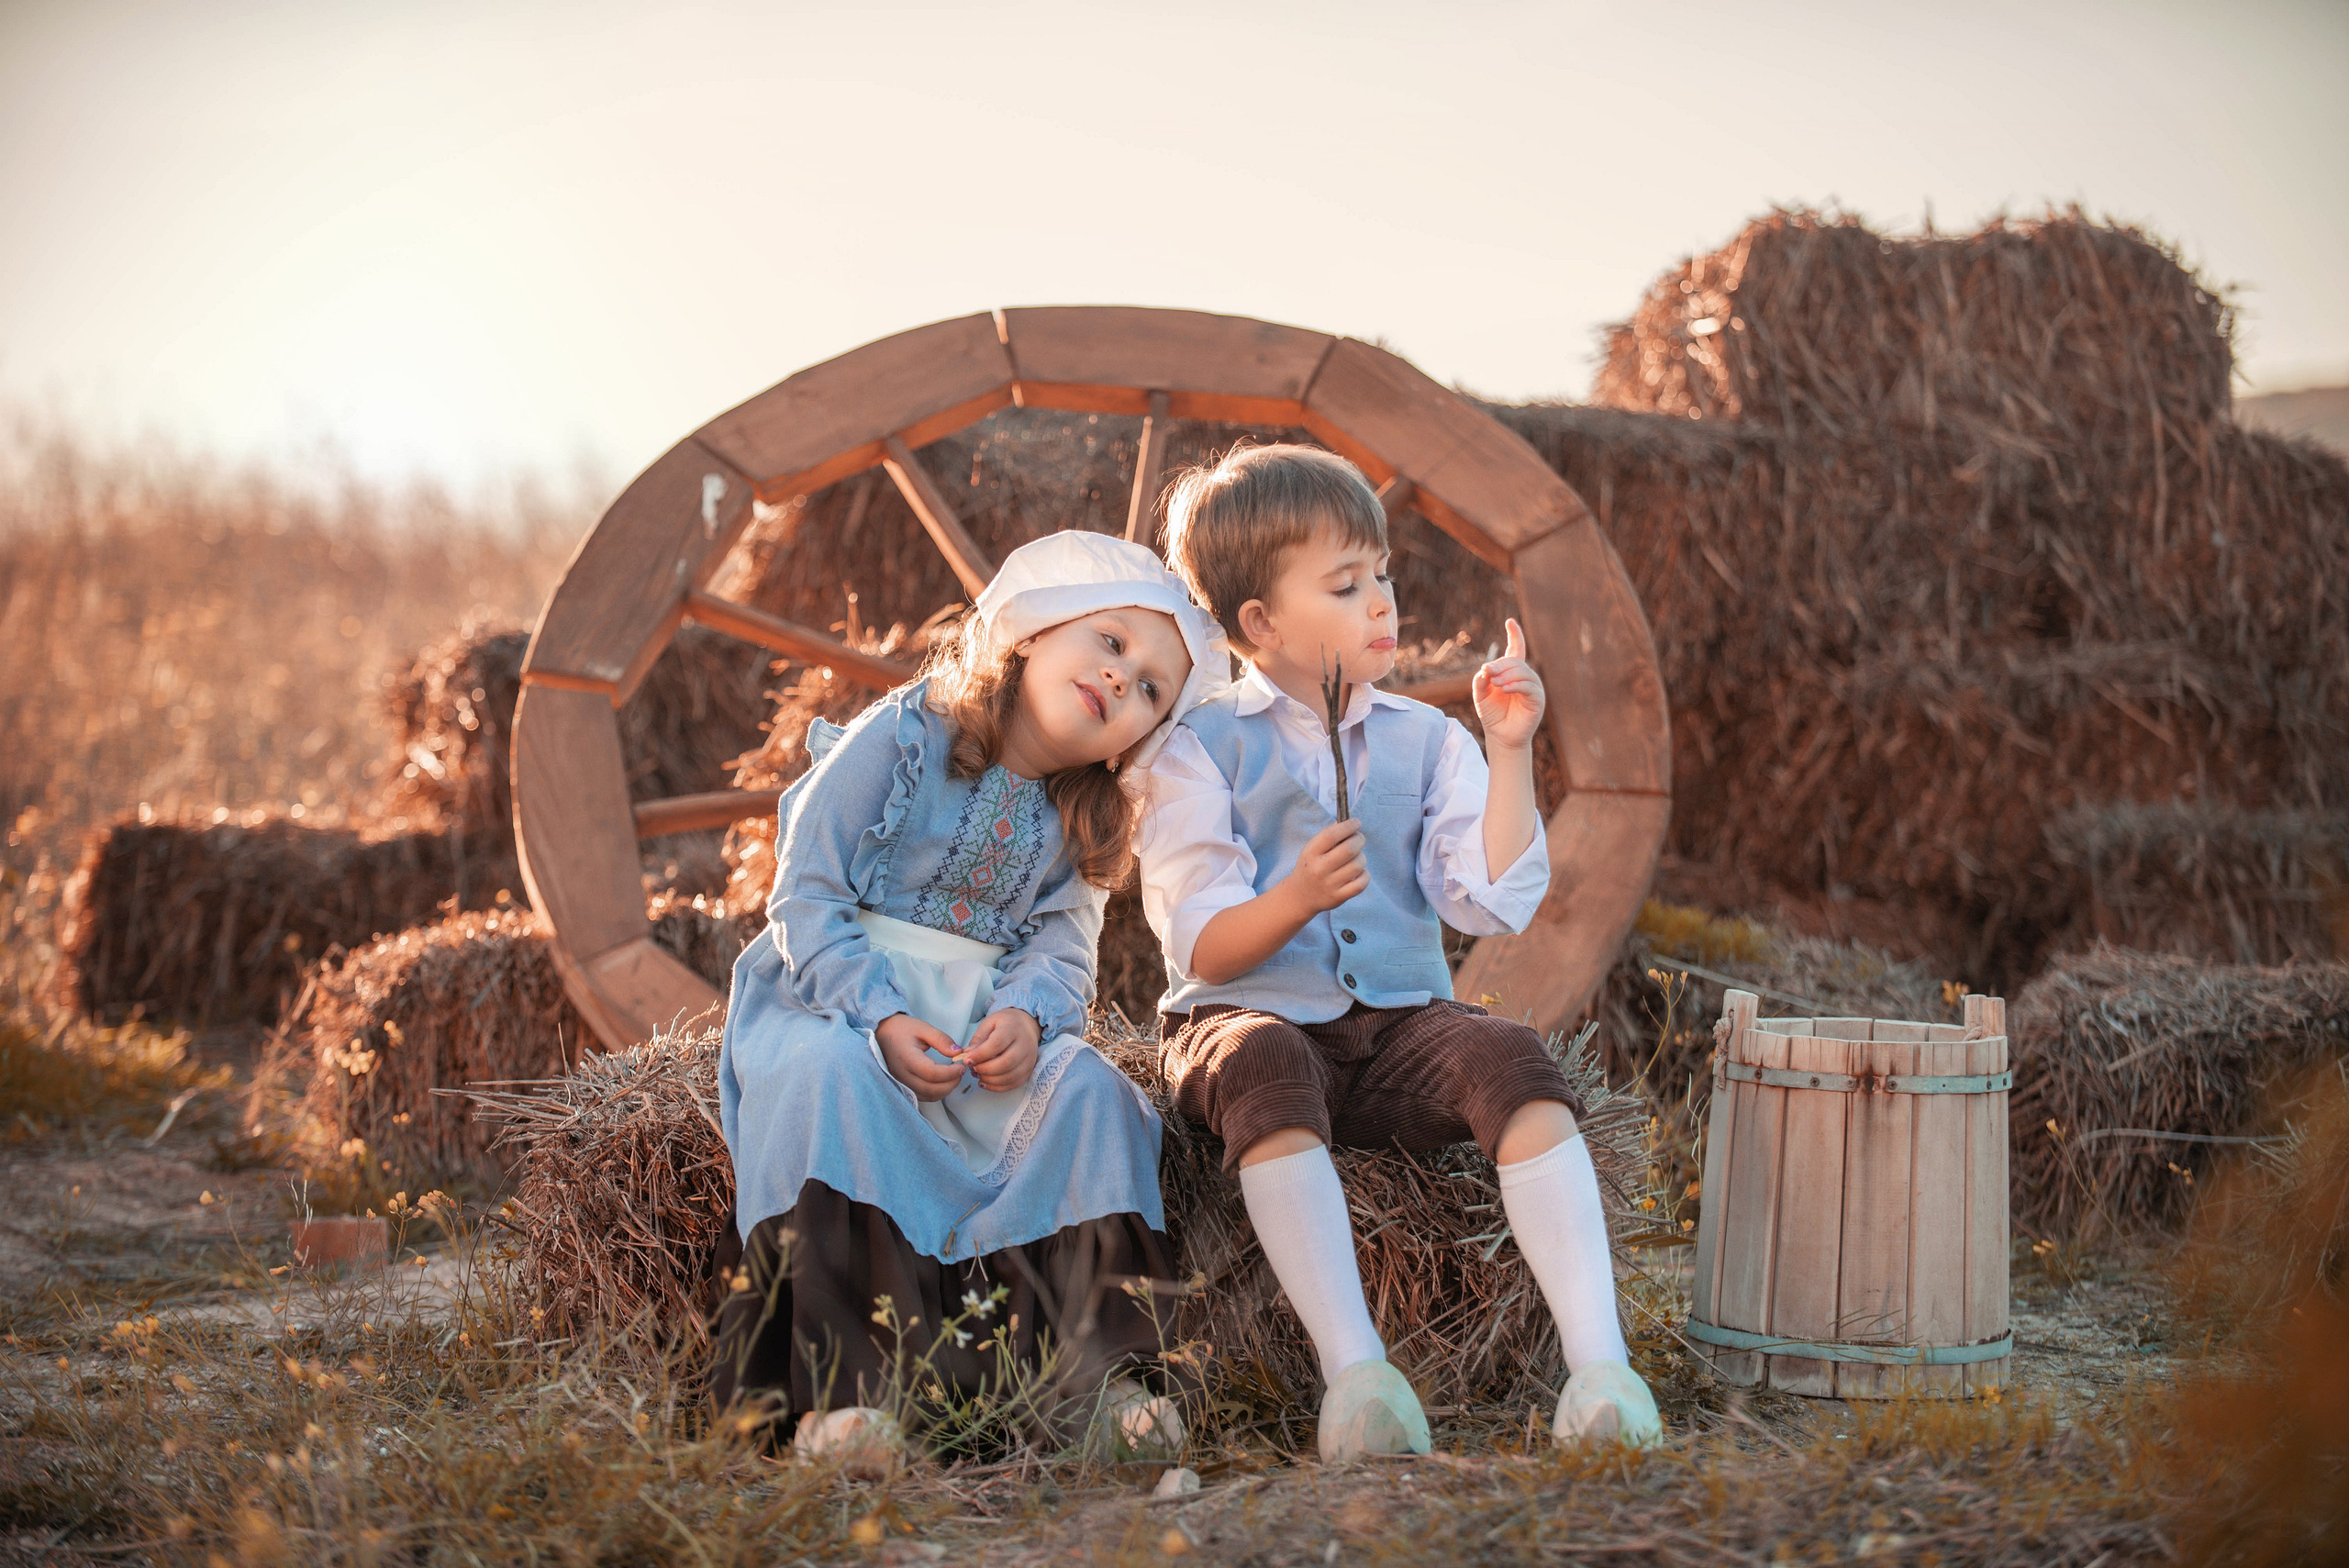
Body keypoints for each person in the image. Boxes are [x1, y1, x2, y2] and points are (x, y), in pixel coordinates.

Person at [1137, 443, 1662, 1461]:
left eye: (1381, 574)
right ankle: (1357, 1372)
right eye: (1345, 584)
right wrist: (1294, 896)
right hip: (1240, 1014)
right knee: (1266, 1060)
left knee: (1508, 1056)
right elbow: (1196, 935)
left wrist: (1510, 749)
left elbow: (1492, 897)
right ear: (1259, 624)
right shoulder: (1196, 747)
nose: (1382, 601)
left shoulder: (1428, 739)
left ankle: (1602, 1366)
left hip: (1393, 1025)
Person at [712, 529, 1224, 1463]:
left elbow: (1064, 949)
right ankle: (843, 1396)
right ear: (1032, 631)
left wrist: (1027, 1017)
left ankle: (1097, 1382)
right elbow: (807, 892)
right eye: (1110, 642)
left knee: (1095, 1093)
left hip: (976, 1028)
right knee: (831, 1078)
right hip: (842, 997)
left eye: (1151, 688)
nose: (1122, 680)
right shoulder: (904, 735)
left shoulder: (1085, 816)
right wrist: (878, 1014)